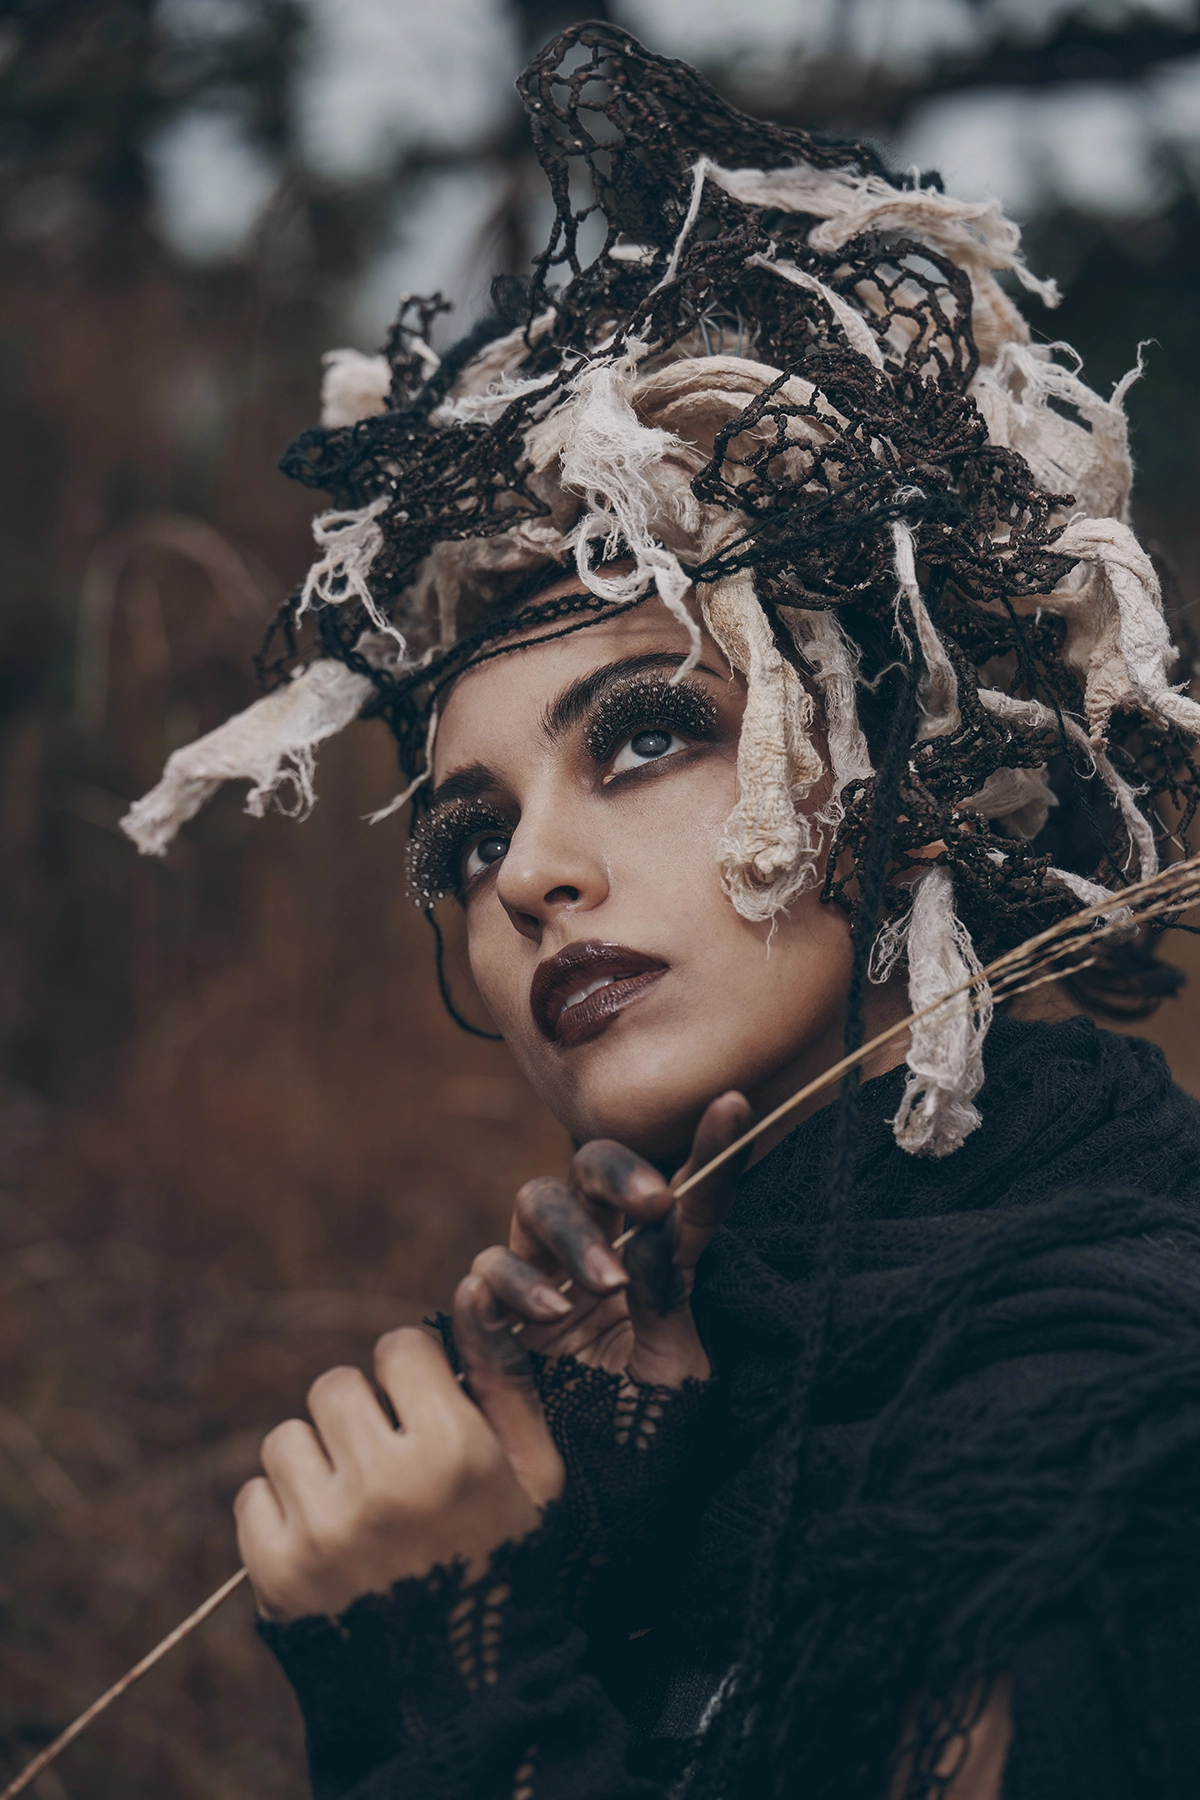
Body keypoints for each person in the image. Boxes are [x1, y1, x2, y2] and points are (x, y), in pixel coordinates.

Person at [122, 24, 1200, 1800]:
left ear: (902, 789)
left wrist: (450, 1680)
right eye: (464, 841)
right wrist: (598, 1555)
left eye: (646, 737)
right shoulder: (727, 1371)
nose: (528, 876)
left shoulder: (1099, 1420)